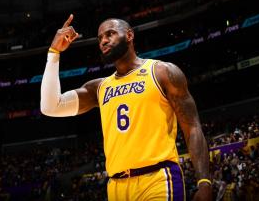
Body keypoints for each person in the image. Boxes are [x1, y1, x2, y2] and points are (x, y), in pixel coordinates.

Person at [40, 14, 212, 200]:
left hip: (157, 179)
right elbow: (50, 107)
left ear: (129, 36)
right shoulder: (99, 87)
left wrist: (204, 182)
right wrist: (54, 53)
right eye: (100, 38)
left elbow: (192, 127)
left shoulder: (162, 72)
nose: (104, 41)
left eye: (110, 34)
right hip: (116, 186)